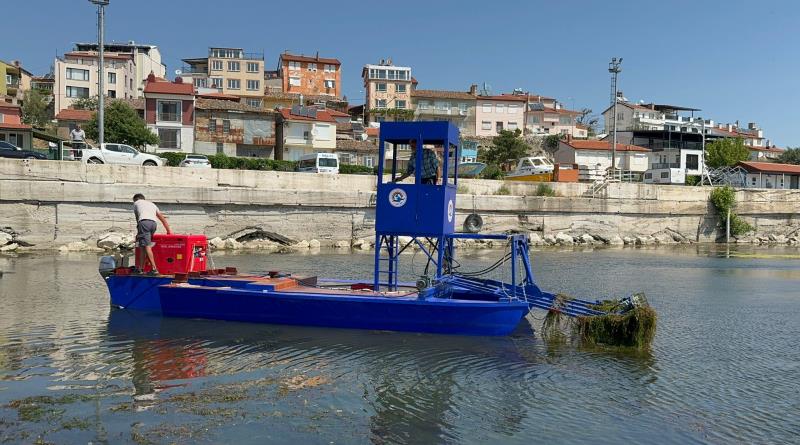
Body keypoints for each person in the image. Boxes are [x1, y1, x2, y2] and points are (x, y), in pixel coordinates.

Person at [132, 193, 172, 275]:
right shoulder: (152, 204)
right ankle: (141, 268)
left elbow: (137, 218)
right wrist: (168, 231)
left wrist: (139, 231)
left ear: (136, 199)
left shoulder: (136, 203)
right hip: (153, 224)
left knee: (147, 245)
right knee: (142, 245)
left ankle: (154, 268)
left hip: (144, 223)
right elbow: (162, 218)